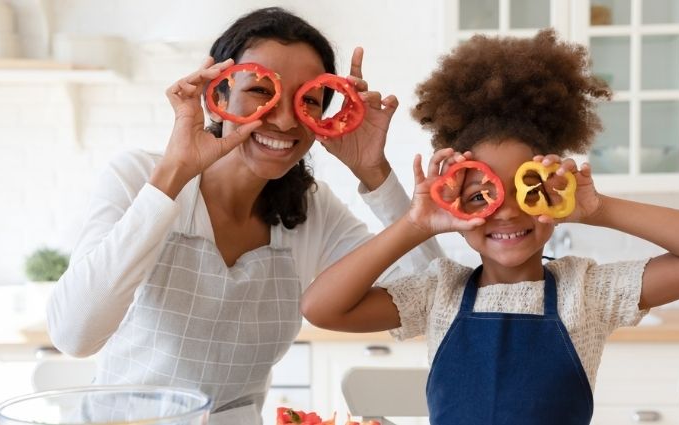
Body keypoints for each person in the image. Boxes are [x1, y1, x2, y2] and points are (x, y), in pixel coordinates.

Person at [301, 29, 679, 425]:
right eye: (481, 196)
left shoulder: (585, 293)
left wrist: (596, 207)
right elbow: (321, 308)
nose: (507, 212)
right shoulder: (438, 292)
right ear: (453, 207)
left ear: (554, 193)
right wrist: (417, 224)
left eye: (526, 189)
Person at [46, 7, 442, 425]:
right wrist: (174, 173)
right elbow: (75, 335)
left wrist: (374, 173)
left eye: (308, 100)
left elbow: (436, 297)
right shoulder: (138, 177)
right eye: (260, 90)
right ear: (218, 97)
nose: (286, 118)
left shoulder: (313, 209)